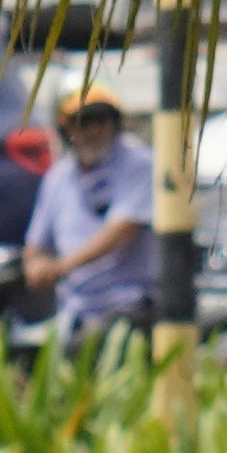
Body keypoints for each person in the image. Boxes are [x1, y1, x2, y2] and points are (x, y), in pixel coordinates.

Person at [20, 82, 157, 330]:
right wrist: (36, 266)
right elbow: (36, 246)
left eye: (101, 121)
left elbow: (121, 230)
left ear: (114, 125)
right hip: (75, 310)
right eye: (83, 121)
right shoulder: (58, 178)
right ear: (67, 128)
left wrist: (61, 268)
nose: (93, 130)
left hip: (130, 304)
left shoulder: (139, 164)